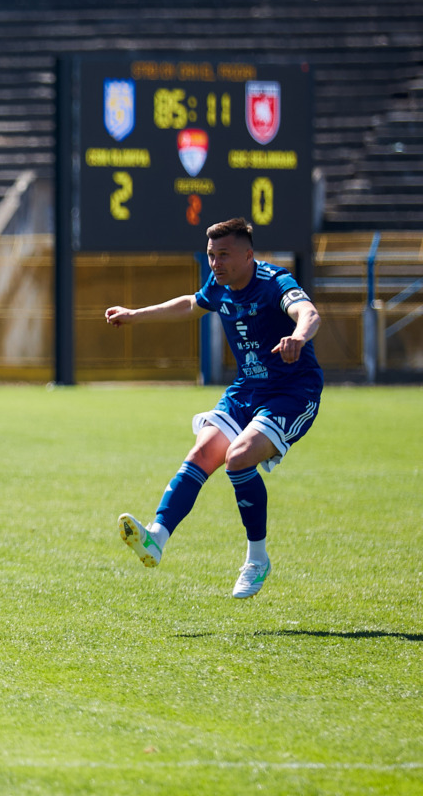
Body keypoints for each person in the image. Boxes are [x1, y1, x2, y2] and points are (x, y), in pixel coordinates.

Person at [104, 217, 322, 599]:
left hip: (291, 391)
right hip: (246, 390)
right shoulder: (219, 286)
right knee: (203, 452)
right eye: (210, 255)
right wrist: (135, 315)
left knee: (238, 458)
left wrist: (298, 337)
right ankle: (157, 537)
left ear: (249, 255)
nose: (215, 263)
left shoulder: (274, 282)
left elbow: (309, 313)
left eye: (224, 255)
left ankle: (257, 559)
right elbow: (191, 304)